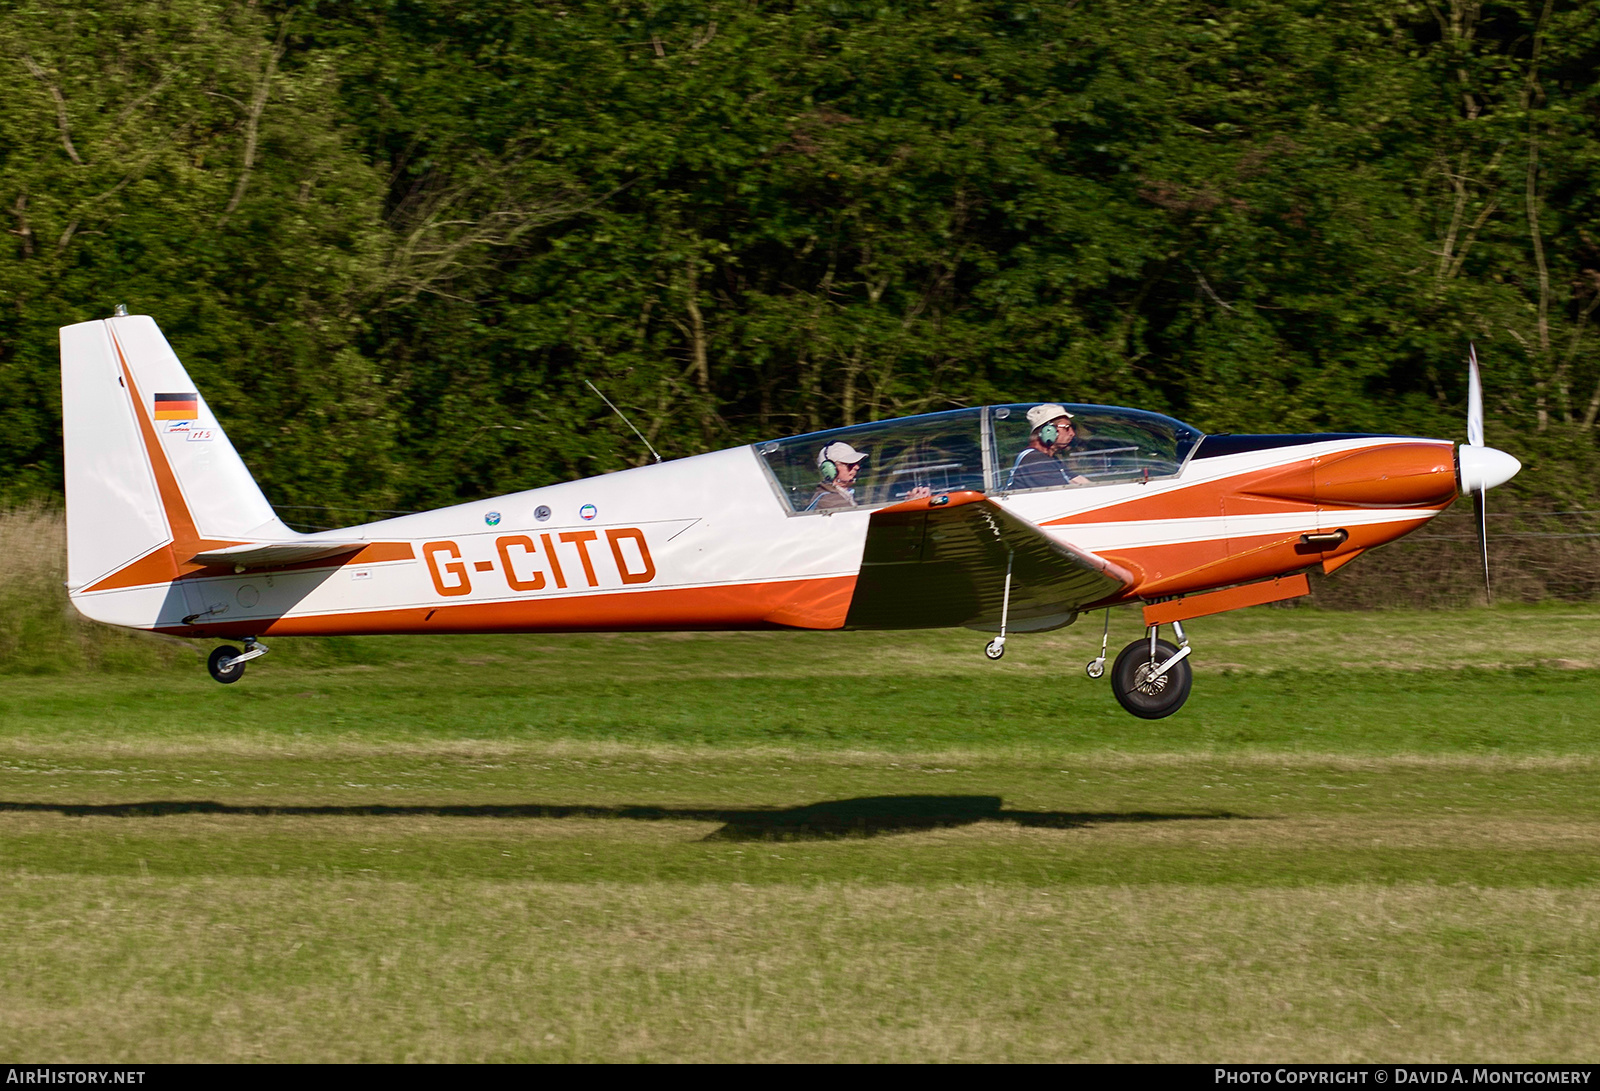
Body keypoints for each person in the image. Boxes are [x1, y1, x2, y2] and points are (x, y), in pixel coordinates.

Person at [1008, 403, 1091, 489]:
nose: (1072, 433)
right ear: (1048, 431)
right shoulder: (1036, 462)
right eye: (1066, 428)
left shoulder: (1050, 459)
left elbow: (1078, 480)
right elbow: (1064, 495)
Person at [810, 441, 869, 510]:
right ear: (830, 469)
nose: (857, 467)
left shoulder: (843, 494)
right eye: (850, 464)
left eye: (857, 463)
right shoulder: (829, 501)